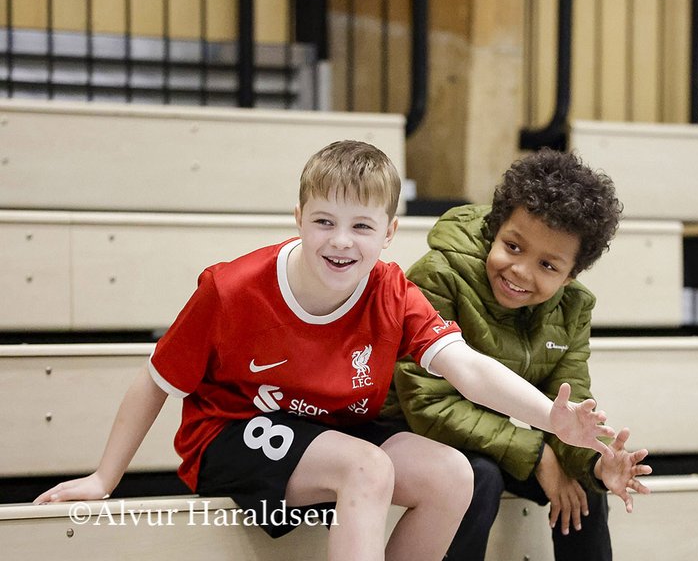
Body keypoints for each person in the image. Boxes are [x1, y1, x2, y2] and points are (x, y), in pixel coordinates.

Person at [34, 141, 638, 561]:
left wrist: (552, 418)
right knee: (366, 467)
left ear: (388, 233)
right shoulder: (231, 287)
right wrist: (105, 477)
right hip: (232, 430)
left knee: (453, 475)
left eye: (362, 227)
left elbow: (467, 369)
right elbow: (156, 380)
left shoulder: (392, 291)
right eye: (324, 221)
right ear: (298, 217)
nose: (342, 242)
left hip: (331, 432)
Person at [384, 148, 652, 561]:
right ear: (495, 230)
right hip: (413, 433)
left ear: (570, 276)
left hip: (490, 439)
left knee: (584, 487)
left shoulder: (572, 307)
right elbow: (427, 403)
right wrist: (538, 455)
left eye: (548, 266)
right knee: (480, 476)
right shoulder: (438, 276)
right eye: (512, 246)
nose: (521, 272)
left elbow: (568, 403)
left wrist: (598, 464)